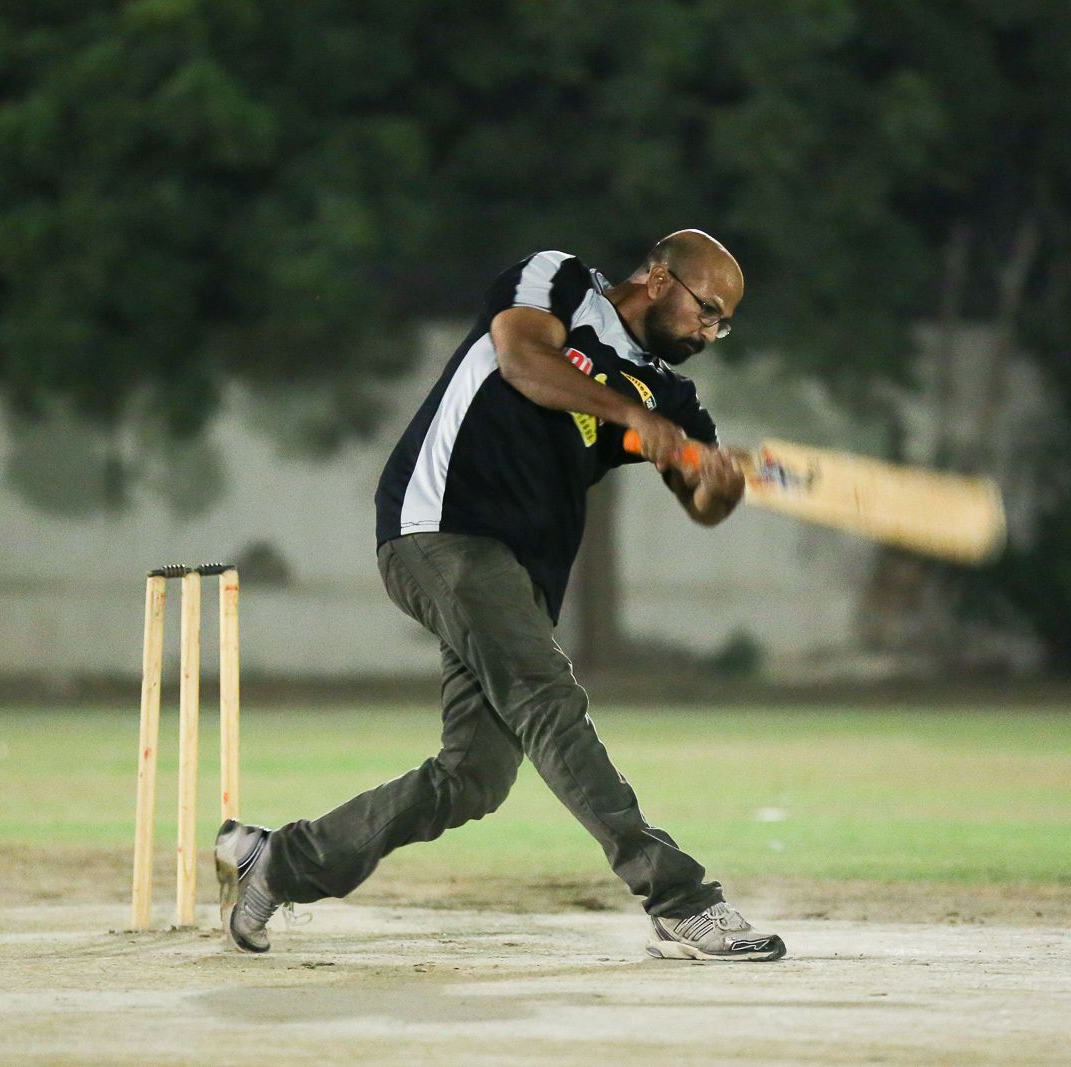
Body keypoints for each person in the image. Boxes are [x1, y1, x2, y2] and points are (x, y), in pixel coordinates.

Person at [213, 229, 786, 962]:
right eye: (706, 310)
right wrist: (635, 421)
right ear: (658, 278)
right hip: (443, 526)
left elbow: (700, 499)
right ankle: (681, 900)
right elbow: (522, 361)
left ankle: (278, 862)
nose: (709, 333)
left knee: (474, 777)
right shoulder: (561, 282)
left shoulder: (668, 394)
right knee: (547, 701)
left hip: (521, 573)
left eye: (722, 324)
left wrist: (725, 480)